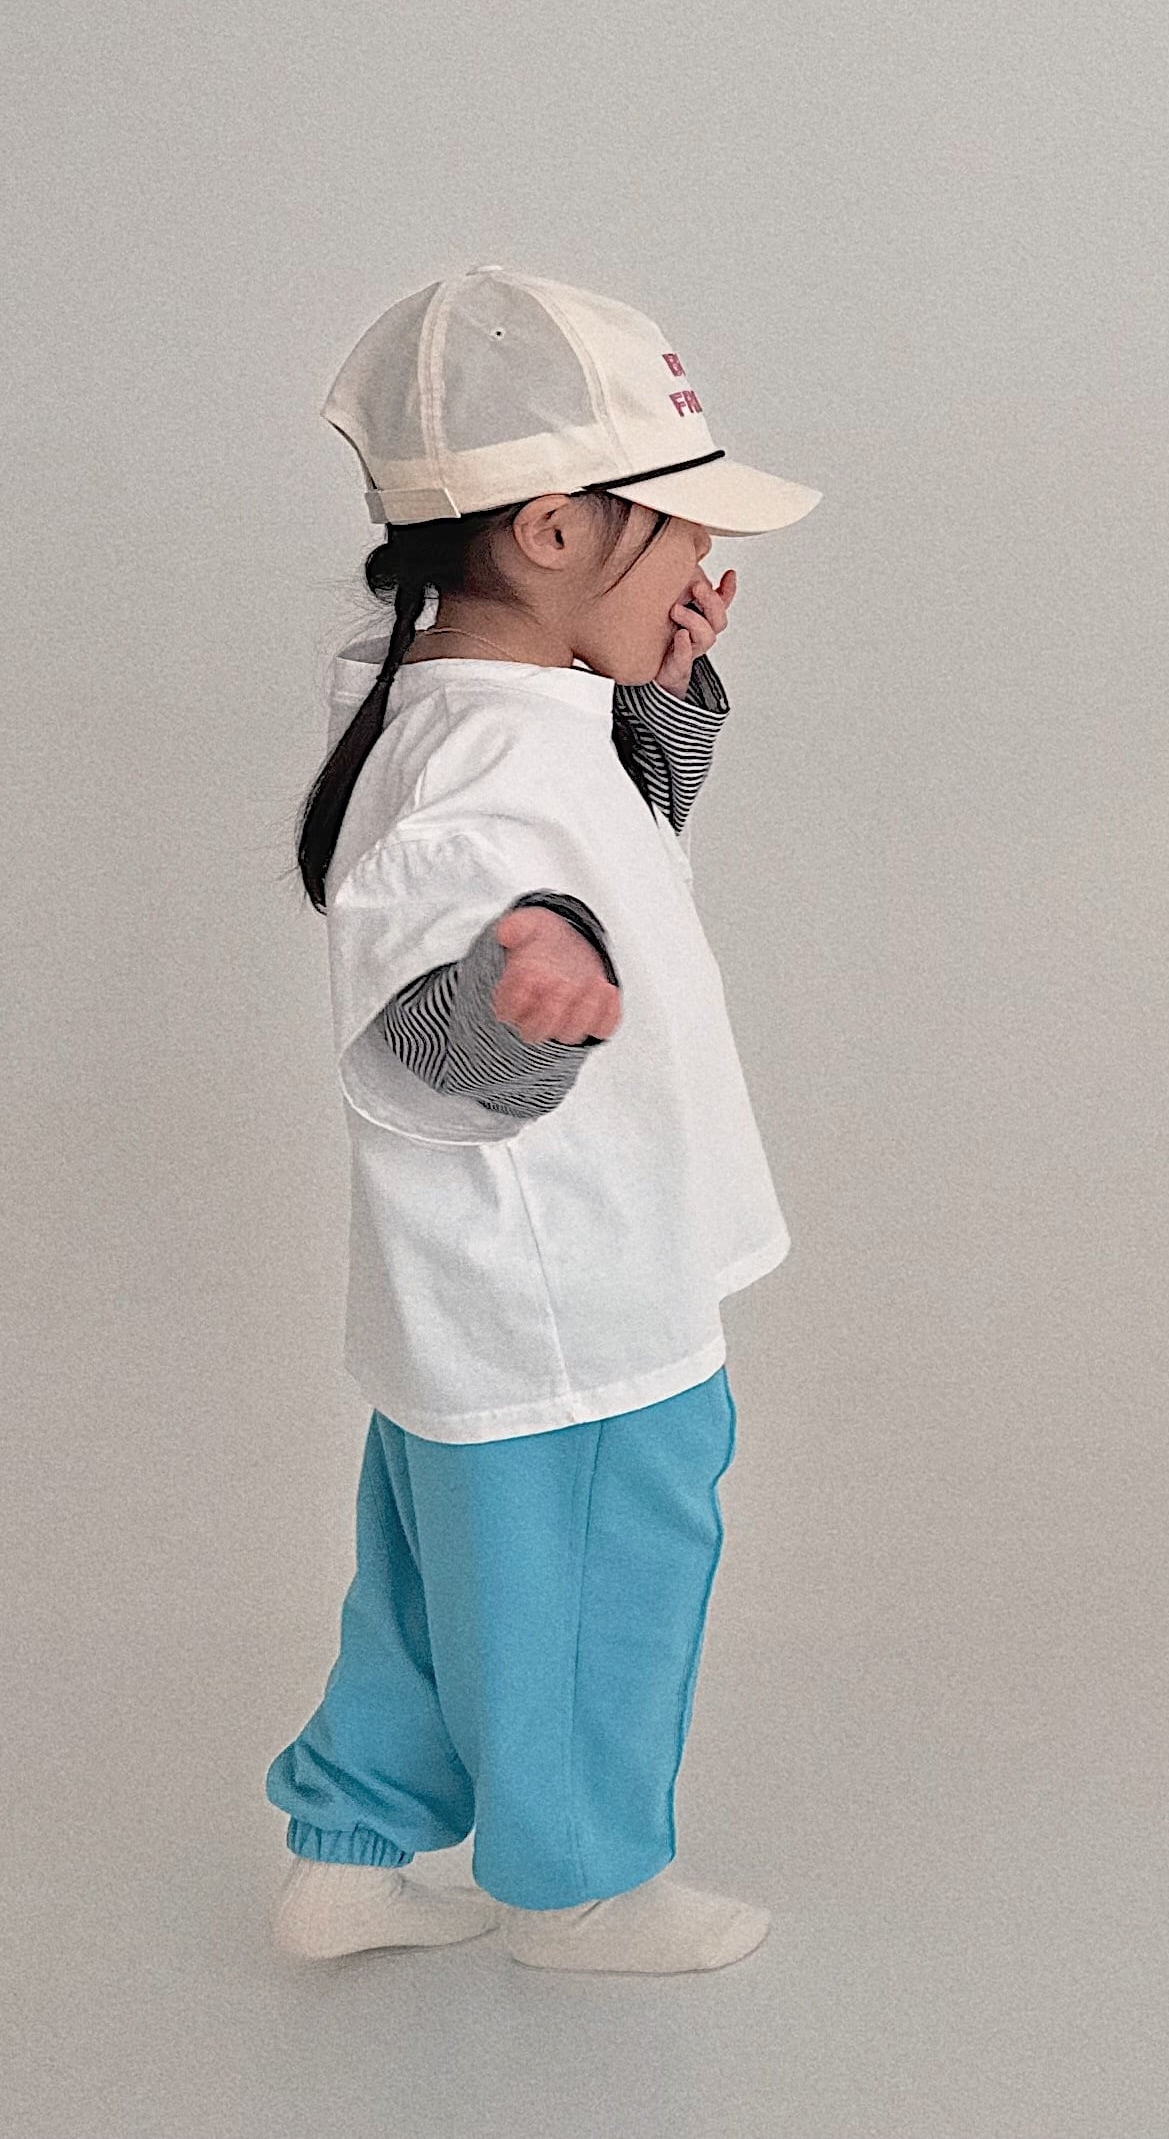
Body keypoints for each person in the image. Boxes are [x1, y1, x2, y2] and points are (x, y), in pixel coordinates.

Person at [262, 266, 821, 1973]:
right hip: (572, 1301)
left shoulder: (470, 710)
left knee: (439, 1587)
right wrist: (516, 1003)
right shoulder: (481, 778)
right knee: (601, 1578)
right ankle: (574, 1886)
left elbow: (619, 832)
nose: (704, 557)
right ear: (557, 530)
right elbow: (430, 1032)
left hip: (481, 1304)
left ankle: (349, 1849)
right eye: (677, 524)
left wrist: (663, 685)